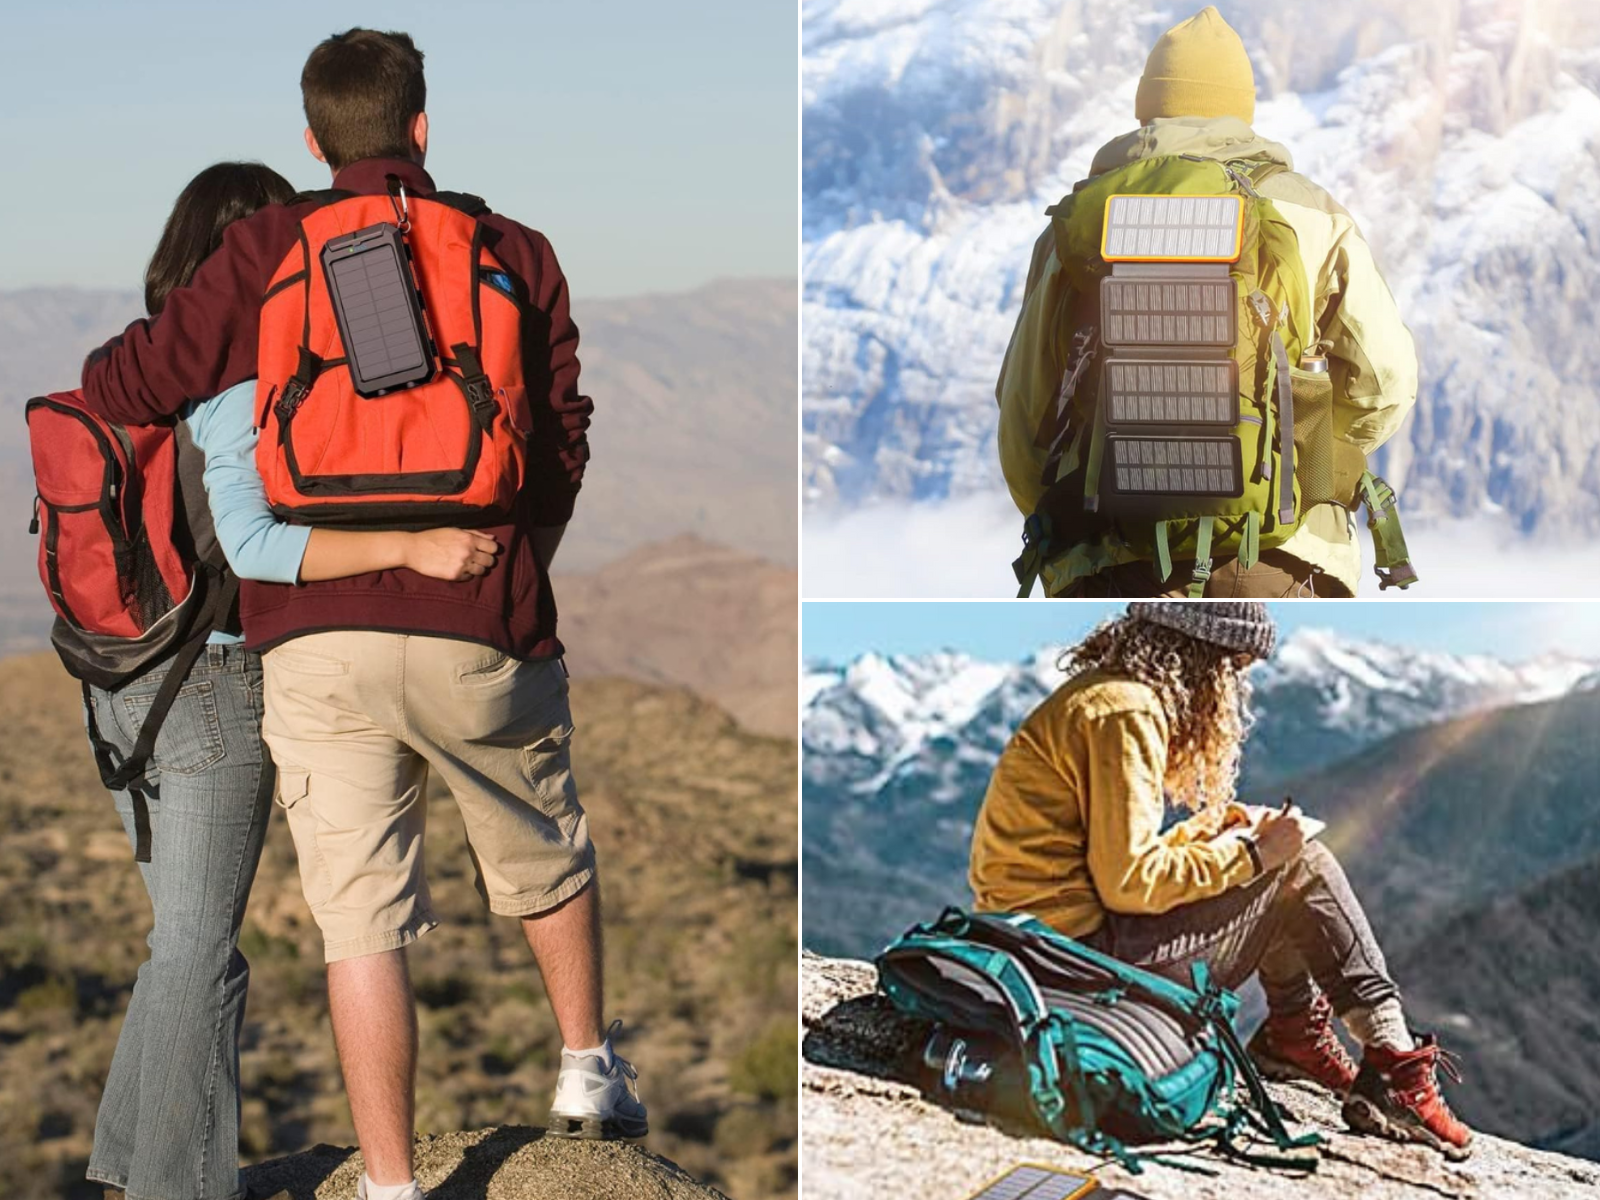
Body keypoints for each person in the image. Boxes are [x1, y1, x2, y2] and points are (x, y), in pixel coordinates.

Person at [76, 29, 643, 1200]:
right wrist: (511, 567)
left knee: (360, 923)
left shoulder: (264, 250)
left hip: (311, 645)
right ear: (422, 126)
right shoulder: (514, 250)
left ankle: (388, 1183)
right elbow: (561, 437)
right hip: (478, 610)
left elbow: (123, 386)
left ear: (311, 140)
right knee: (544, 850)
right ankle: (585, 1069)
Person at [81, 162, 495, 1200]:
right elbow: (256, 545)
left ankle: (121, 1172)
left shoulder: (151, 371)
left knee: (178, 943)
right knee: (199, 949)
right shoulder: (231, 391)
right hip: (210, 687)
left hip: (120, 683)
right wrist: (412, 543)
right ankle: (178, 1187)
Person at [968, 602, 1473, 1161]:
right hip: (1077, 963)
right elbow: (1129, 883)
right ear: (1202, 658)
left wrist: (1212, 834)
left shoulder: (1104, 697)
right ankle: (1391, 1065)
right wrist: (1255, 855)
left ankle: (1295, 1037)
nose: (1233, 689)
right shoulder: (1127, 714)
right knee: (1301, 864)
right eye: (1233, 669)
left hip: (1039, 943)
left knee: (1281, 861)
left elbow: (1103, 859)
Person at [997, 6, 1418, 597]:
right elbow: (1385, 381)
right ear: (1241, 108)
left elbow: (1023, 415)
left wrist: (1075, 519)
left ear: (1147, 104)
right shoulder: (1308, 211)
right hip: (1276, 552)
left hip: (1104, 554)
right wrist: (1302, 458)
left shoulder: (1078, 222)